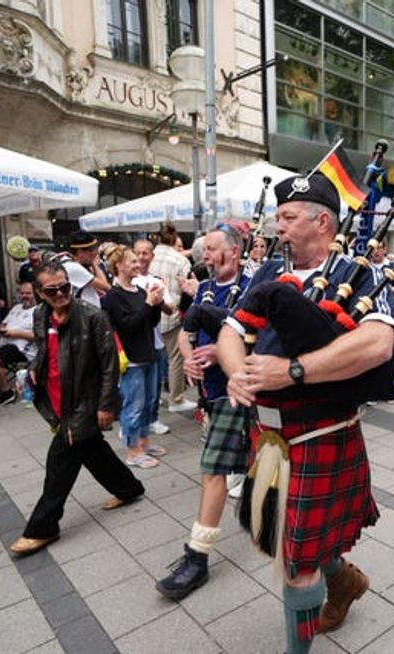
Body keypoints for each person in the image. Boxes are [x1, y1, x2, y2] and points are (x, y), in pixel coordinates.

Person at [217, 172, 394, 654]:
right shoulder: (266, 274)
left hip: (322, 435)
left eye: (289, 217)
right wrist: (237, 373)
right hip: (268, 436)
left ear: (322, 222)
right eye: (278, 217)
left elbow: (378, 344)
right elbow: (231, 332)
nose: (279, 226)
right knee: (283, 535)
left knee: (297, 565)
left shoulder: (358, 274)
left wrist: (290, 372)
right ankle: (344, 581)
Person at [10, 262, 146, 555]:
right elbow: (44, 351)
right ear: (39, 292)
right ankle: (129, 488)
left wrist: (106, 406)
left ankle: (43, 527)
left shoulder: (93, 317)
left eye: (65, 287)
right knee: (94, 451)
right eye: (51, 289)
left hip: (84, 401)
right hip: (55, 399)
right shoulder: (39, 314)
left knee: (59, 464)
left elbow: (110, 365)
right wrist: (34, 368)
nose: (60, 293)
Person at [156, 224, 253, 600]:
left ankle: (196, 558)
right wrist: (190, 357)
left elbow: (262, 333)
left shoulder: (253, 284)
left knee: (213, 467)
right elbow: (186, 327)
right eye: (204, 250)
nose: (204, 256)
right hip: (213, 390)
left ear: (233, 250)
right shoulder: (206, 286)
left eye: (211, 249)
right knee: (241, 462)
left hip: (242, 388)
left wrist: (223, 351)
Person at [102, 246, 167, 469]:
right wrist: (149, 304)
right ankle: (132, 452)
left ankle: (144, 442)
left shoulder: (139, 292)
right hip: (131, 359)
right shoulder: (113, 296)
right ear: (118, 265)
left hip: (149, 354)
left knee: (149, 402)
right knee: (134, 405)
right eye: (132, 262)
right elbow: (127, 325)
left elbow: (151, 321)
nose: (137, 264)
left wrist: (156, 301)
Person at [150, 223, 196, 413]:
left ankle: (154, 402)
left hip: (149, 312)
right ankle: (176, 398)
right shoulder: (180, 261)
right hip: (172, 314)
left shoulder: (148, 256)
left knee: (151, 361)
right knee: (175, 358)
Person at [132, 238, 173, 436]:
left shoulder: (157, 281)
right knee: (135, 386)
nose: (141, 257)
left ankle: (153, 418)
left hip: (155, 340)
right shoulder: (124, 281)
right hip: (133, 342)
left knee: (154, 385)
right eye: (138, 253)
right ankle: (132, 423)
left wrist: (158, 301)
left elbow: (170, 308)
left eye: (145, 253)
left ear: (152, 256)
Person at [62, 231, 111, 308]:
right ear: (80, 252)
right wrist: (95, 265)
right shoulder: (73, 267)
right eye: (91, 251)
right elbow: (106, 287)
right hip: (83, 315)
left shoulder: (71, 264)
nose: (95, 254)